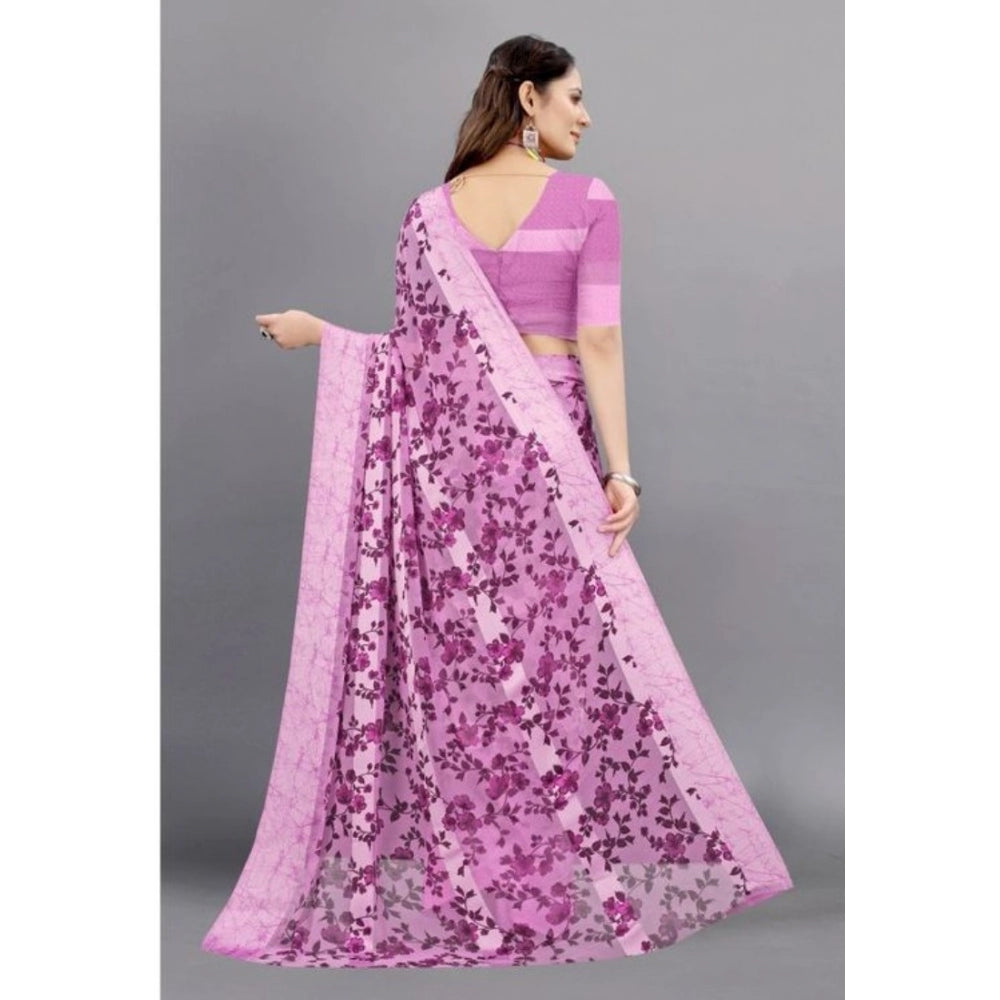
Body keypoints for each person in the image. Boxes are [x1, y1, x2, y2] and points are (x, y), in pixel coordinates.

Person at [203, 33, 793, 969]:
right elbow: (599, 341)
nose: (586, 117)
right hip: (551, 456)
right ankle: (552, 872)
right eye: (574, 97)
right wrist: (621, 469)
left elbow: (418, 359)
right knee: (558, 661)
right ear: (528, 98)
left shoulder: (428, 215)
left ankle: (489, 871)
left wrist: (328, 337)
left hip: (458, 471)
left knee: (473, 666)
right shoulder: (590, 202)